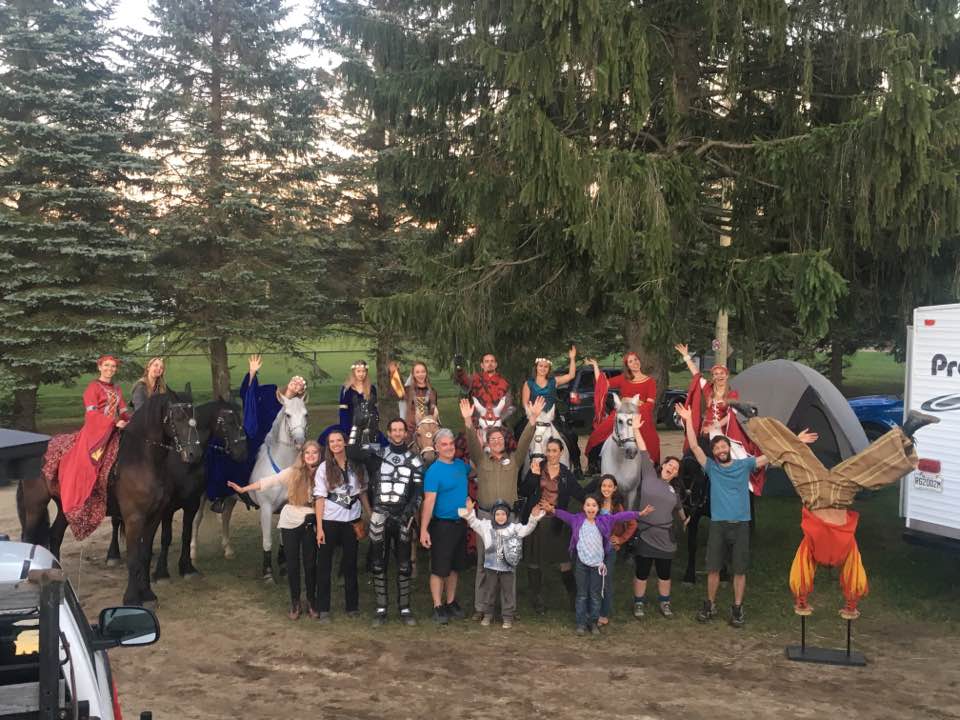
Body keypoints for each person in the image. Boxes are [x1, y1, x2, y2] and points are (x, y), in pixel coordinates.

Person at [735, 406, 935, 619]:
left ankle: (753, 417)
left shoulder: (836, 550)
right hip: (826, 495)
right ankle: (753, 417)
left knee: (861, 465)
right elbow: (809, 574)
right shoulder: (827, 549)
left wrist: (808, 603)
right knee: (795, 455)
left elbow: (836, 575)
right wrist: (843, 606)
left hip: (828, 495)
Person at [676, 402, 789, 628]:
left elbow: (770, 456)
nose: (720, 450)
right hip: (718, 526)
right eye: (716, 448)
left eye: (723, 447)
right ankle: (710, 604)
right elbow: (697, 448)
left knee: (739, 570)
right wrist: (689, 420)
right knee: (713, 569)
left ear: (729, 449)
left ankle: (737, 608)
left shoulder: (744, 465)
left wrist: (796, 441)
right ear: (714, 453)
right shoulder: (711, 468)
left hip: (740, 526)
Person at [459, 396, 544, 621]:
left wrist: (533, 418)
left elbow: (525, 440)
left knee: (510, 563)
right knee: (482, 564)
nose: (497, 441)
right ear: (488, 442)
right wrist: (468, 422)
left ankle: (509, 609)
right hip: (485, 517)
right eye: (493, 438)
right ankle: (481, 607)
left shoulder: (514, 461)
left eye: (500, 438)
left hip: (510, 520)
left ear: (505, 441)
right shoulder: (481, 460)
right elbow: (471, 442)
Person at [228, 441, 321, 620]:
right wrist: (243, 489)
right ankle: (295, 603)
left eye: (314, 453)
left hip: (310, 521)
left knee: (310, 564)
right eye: (307, 453)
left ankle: (311, 601)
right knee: (293, 564)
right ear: (302, 455)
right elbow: (268, 481)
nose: (310, 456)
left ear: (319, 455)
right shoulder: (293, 472)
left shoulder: (322, 474)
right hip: (290, 521)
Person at [345, 417, 424, 626]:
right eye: (394, 430)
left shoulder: (415, 461)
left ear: (406, 433)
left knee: (404, 564)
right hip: (380, 514)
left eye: (401, 430)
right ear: (388, 433)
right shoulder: (376, 455)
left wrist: (408, 513)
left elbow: (418, 493)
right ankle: (381, 608)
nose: (398, 433)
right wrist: (357, 424)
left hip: (403, 517)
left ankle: (405, 608)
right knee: (378, 564)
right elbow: (351, 452)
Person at [206, 354, 306, 512]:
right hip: (255, 434)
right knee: (234, 454)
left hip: (277, 441)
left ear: (300, 392)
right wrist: (252, 372)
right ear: (289, 382)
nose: (295, 385)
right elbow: (249, 393)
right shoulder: (270, 390)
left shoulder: (293, 407)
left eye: (299, 386)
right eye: (294, 382)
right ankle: (225, 493)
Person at [553, 496, 654, 635]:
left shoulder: (604, 520)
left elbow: (621, 516)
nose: (590, 508)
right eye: (588, 505)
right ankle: (581, 623)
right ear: (584, 508)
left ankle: (594, 623)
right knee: (582, 595)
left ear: (598, 509)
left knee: (595, 595)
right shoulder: (577, 519)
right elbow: (563, 515)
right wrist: (551, 509)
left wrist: (639, 514)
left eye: (594, 505)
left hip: (597, 566)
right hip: (582, 564)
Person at [674, 343, 763, 494]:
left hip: (723, 431)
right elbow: (696, 374)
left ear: (727, 375)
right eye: (716, 374)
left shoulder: (732, 394)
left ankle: (735, 485)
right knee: (692, 453)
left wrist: (714, 427)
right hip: (705, 431)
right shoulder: (708, 390)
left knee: (734, 456)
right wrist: (686, 356)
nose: (719, 376)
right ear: (713, 377)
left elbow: (731, 416)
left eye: (722, 373)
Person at [57, 355, 130, 539]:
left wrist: (131, 421)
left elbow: (123, 410)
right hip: (96, 432)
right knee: (92, 461)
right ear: (99, 367)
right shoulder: (92, 388)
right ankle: (88, 494)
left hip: (114, 429)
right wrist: (114, 423)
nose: (110, 369)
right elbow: (92, 415)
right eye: (107, 365)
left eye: (113, 366)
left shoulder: (117, 389)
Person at [627, 416, 687, 620]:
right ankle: (638, 604)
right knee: (642, 572)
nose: (671, 468)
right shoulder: (649, 474)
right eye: (669, 464)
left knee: (664, 573)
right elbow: (643, 450)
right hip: (645, 535)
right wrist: (636, 429)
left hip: (665, 540)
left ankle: (665, 603)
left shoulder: (674, 492)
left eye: (675, 468)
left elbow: (679, 508)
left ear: (676, 474)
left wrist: (685, 518)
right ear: (663, 465)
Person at [518, 441, 587, 614]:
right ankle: (537, 598)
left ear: (561, 452)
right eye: (548, 450)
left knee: (564, 562)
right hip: (537, 522)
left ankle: (574, 597)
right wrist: (533, 476)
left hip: (557, 521)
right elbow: (524, 491)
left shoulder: (565, 473)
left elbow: (579, 493)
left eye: (554, 450)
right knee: (534, 561)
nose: (551, 454)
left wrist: (600, 500)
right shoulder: (537, 467)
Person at [458, 497, 545, 629]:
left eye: (503, 514)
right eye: (497, 514)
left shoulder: (514, 528)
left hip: (507, 568)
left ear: (507, 515)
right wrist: (470, 513)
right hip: (491, 568)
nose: (500, 517)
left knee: (507, 592)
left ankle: (507, 616)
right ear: (493, 515)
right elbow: (474, 523)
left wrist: (533, 518)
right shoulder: (486, 527)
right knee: (490, 591)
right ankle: (488, 614)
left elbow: (527, 529)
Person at [313, 430, 370, 623]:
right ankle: (323, 609)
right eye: (331, 442)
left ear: (345, 443)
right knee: (324, 567)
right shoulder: (323, 468)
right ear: (328, 446)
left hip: (351, 521)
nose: (336, 444)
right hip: (330, 521)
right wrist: (320, 528)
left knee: (350, 565)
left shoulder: (357, 466)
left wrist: (369, 515)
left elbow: (362, 493)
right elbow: (320, 499)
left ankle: (352, 606)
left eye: (339, 440)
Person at [420, 428, 471, 625]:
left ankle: (451, 602)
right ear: (436, 448)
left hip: (460, 523)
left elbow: (473, 471)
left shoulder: (461, 466)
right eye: (444, 445)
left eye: (451, 444)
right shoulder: (433, 472)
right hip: (442, 526)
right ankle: (437, 605)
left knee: (455, 568)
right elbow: (429, 502)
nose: (449, 448)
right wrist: (424, 529)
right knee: (440, 568)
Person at [584, 353, 661, 465]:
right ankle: (593, 464)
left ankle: (653, 466)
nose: (634, 363)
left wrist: (632, 405)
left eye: (636, 359)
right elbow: (602, 383)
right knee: (598, 433)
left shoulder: (650, 382)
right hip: (621, 412)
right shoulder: (623, 379)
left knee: (653, 440)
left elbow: (649, 405)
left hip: (640, 414)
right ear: (627, 366)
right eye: (630, 361)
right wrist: (595, 365)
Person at [583, 474, 636, 626]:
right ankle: (590, 611)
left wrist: (621, 539)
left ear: (615, 488)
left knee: (605, 581)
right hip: (592, 548)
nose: (606, 489)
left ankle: (603, 613)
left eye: (609, 486)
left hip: (609, 550)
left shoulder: (618, 506)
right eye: (603, 486)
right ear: (600, 488)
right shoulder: (595, 504)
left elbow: (632, 524)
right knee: (591, 580)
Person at [319, 359, 379, 446]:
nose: (361, 374)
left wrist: (373, 424)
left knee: (378, 442)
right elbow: (343, 411)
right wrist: (346, 428)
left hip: (367, 424)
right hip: (350, 423)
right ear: (354, 372)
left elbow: (373, 409)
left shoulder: (371, 388)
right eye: (358, 371)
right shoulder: (347, 389)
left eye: (363, 371)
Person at [454, 352, 512, 427]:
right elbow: (463, 380)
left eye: (492, 361)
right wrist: (459, 367)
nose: (490, 364)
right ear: (482, 365)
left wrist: (498, 420)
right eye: (487, 361)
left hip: (497, 423)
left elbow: (508, 404)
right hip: (477, 423)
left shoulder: (504, 383)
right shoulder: (475, 379)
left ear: (496, 365)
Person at [388, 360, 439, 440]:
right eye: (417, 372)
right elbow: (394, 392)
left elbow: (433, 412)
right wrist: (393, 373)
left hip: (428, 429)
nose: (420, 374)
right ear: (413, 374)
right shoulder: (407, 391)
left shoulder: (433, 392)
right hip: (411, 429)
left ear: (426, 373)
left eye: (423, 371)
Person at [520, 347, 578, 411]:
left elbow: (571, 375)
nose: (543, 368)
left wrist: (572, 358)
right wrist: (534, 415)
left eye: (546, 367)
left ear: (549, 369)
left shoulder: (554, 381)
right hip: (534, 418)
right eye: (540, 366)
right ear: (536, 367)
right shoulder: (528, 383)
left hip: (551, 418)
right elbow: (525, 404)